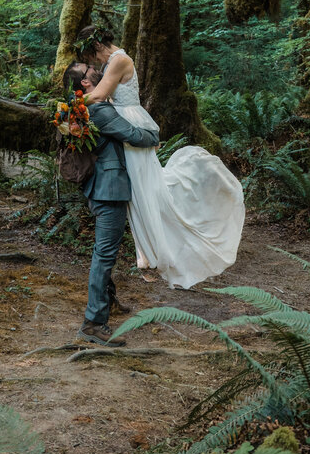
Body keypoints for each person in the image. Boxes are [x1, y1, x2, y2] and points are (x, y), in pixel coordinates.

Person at [77, 25, 245, 289]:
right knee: (144, 191)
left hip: (128, 123)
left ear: (97, 45)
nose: (92, 62)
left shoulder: (119, 60)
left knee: (149, 190)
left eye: (90, 55)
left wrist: (67, 106)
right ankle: (147, 250)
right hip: (122, 121)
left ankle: (172, 246)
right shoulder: (113, 61)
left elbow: (98, 95)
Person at [61, 60, 159, 347]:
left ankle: (107, 303)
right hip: (109, 190)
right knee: (104, 255)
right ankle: (93, 323)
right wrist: (155, 135)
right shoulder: (99, 110)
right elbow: (132, 135)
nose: (95, 68)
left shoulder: (78, 108)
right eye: (89, 69)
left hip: (100, 188)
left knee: (104, 252)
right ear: (85, 83)